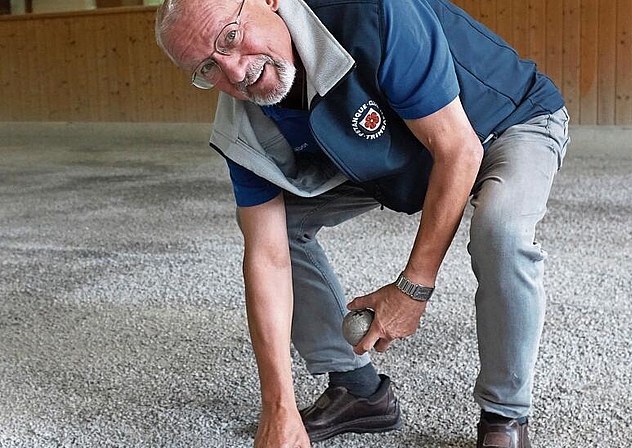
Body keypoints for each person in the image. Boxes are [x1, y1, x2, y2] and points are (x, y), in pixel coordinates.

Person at [155, 0, 570, 446]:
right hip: (400, 156)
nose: (234, 73)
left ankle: (504, 418)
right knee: (281, 229)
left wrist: (412, 289)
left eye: (230, 38)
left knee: (501, 231)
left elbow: (459, 150)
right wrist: (279, 406)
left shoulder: (371, 12)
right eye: (207, 68)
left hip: (505, 123)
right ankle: (357, 390)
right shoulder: (245, 127)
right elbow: (267, 255)